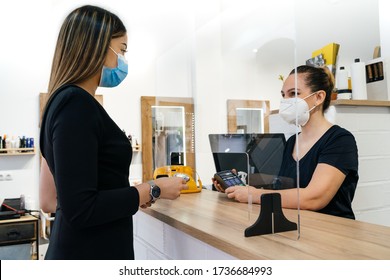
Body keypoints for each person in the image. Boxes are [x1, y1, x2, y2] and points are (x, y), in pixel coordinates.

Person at [39, 5, 187, 260]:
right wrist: (153, 189)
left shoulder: (62, 102)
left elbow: (50, 199)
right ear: (97, 46)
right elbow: (81, 209)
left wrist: (127, 195)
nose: (123, 59)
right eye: (122, 49)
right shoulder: (75, 104)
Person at [215, 65, 359, 219]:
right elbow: (281, 185)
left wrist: (254, 195)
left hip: (332, 232)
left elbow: (314, 198)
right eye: (284, 95)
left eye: (294, 94)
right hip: (298, 227)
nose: (286, 101)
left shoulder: (340, 140)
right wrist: (239, 184)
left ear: (319, 97)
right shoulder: (292, 142)